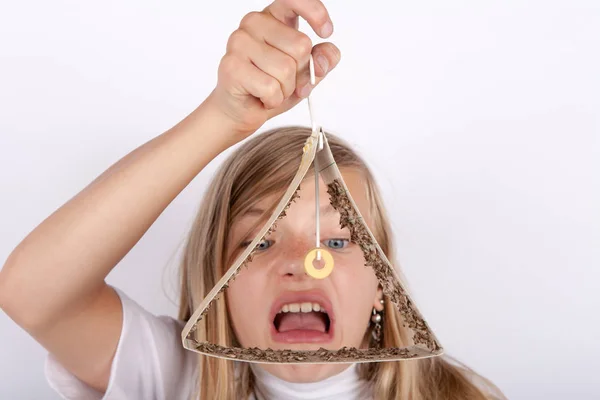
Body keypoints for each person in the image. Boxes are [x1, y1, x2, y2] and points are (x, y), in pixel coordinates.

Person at [0, 0, 506, 399]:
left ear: (381, 285)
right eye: (258, 243)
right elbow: (32, 294)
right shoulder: (175, 380)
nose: (302, 264)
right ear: (217, 282)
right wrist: (222, 118)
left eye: (336, 238)